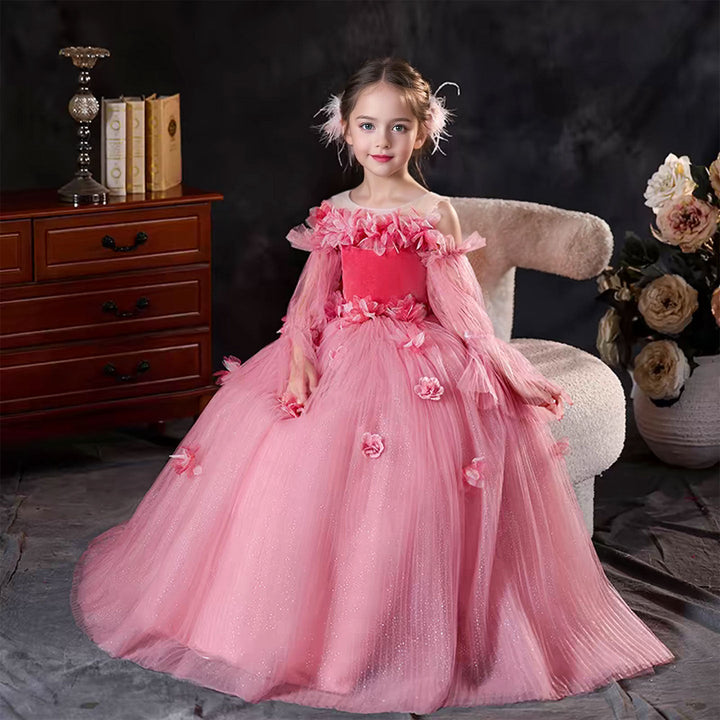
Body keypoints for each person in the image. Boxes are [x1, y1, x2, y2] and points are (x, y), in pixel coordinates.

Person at [72, 57, 675, 715]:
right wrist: (299, 359)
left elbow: (463, 310)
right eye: (367, 125)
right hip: (342, 349)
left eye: (397, 127)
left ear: (422, 132)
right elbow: (309, 300)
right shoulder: (335, 212)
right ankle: (294, 626)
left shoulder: (435, 213)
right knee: (288, 450)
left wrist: (511, 372)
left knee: (428, 467)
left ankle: (397, 629)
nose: (381, 140)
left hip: (418, 354)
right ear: (345, 130)